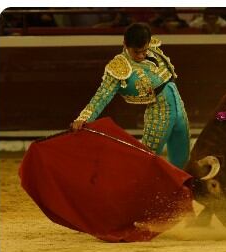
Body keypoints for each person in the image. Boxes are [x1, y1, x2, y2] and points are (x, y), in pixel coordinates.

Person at [70, 22, 191, 168]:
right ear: (125, 44)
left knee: (182, 155)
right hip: (159, 113)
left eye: (144, 50)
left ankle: (183, 188)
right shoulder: (120, 66)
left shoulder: (153, 50)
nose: (141, 55)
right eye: (136, 52)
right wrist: (84, 118)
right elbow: (102, 95)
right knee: (146, 159)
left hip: (179, 106)